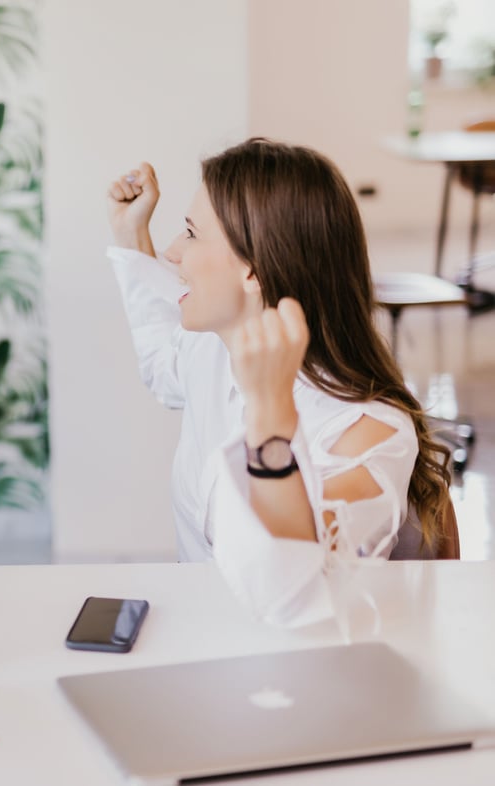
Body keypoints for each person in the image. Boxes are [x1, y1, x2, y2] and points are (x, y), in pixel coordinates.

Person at [106, 138, 454, 627]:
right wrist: (130, 235)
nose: (172, 253)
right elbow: (164, 365)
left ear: (253, 271)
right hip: (198, 640)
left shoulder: (367, 430)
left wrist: (270, 414)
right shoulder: (216, 350)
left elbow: (293, 591)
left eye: (190, 233)